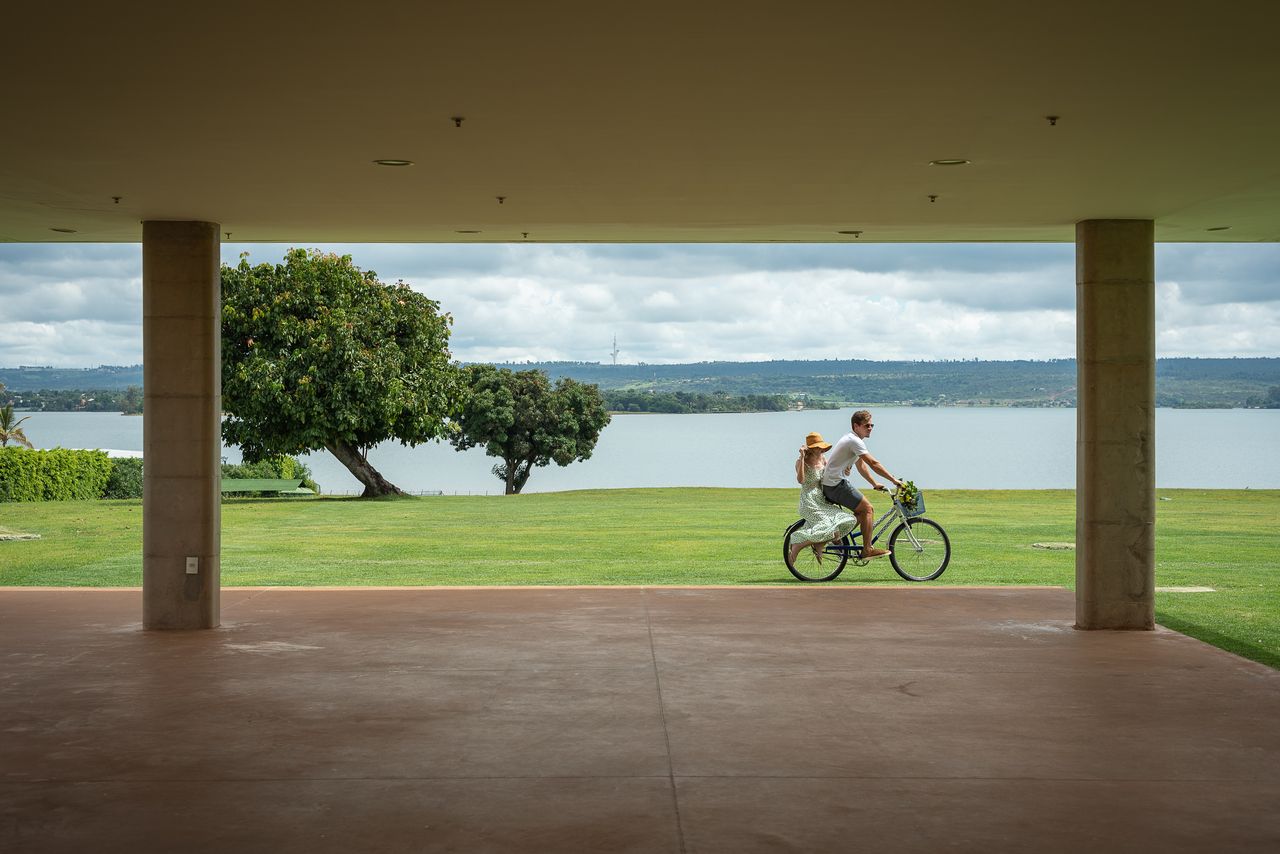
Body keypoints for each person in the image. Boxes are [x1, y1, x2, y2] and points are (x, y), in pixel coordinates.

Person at [820, 410, 902, 560]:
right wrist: (893, 480)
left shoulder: (854, 440)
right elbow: (873, 463)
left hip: (832, 483)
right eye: (866, 425)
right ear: (856, 426)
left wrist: (874, 483)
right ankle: (867, 549)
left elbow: (861, 466)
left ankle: (836, 535)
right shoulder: (854, 441)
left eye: (872, 425)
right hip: (835, 484)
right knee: (868, 509)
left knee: (860, 513)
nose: (870, 428)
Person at [787, 432, 859, 565]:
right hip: (809, 500)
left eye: (821, 447)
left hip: (822, 498)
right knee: (827, 524)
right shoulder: (801, 461)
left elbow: (830, 475)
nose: (821, 449)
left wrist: (845, 470)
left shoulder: (823, 459)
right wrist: (802, 458)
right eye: (818, 447)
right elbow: (801, 480)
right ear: (811, 448)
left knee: (848, 520)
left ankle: (820, 544)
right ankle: (798, 545)